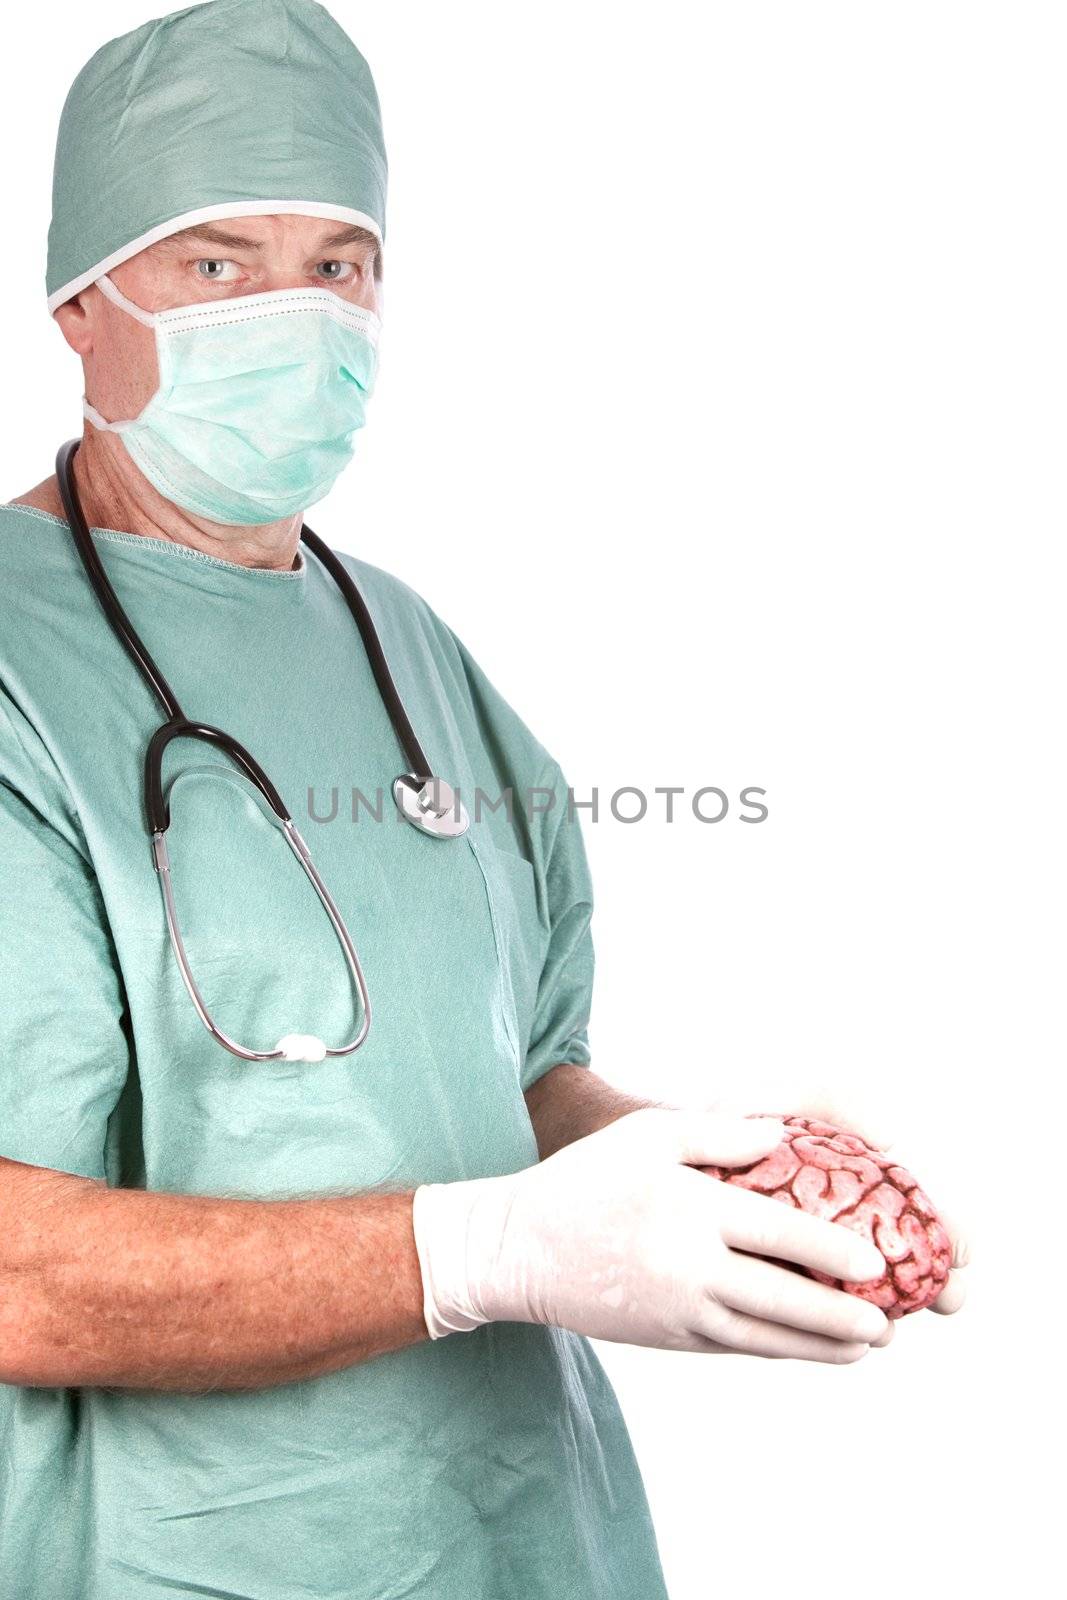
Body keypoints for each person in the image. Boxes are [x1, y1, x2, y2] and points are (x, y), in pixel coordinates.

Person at [0, 3, 968, 1597]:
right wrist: (487, 1251)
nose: (298, 318)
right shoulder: (21, 674)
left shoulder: (401, 645)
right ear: (81, 303)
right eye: (219, 266)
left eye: (339, 264)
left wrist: (730, 1164)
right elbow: (18, 1274)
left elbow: (505, 1083)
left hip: (519, 1529)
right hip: (186, 1554)